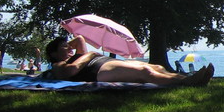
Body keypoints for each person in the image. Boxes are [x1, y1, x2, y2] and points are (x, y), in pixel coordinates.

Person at [44, 35, 213, 86]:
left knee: (157, 67)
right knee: (144, 73)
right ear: (53, 54)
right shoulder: (58, 64)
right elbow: (71, 72)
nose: (69, 49)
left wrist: (67, 45)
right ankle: (186, 83)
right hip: (98, 70)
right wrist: (89, 56)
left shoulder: (75, 54)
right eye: (64, 48)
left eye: (68, 46)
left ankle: (190, 79)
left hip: (101, 63)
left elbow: (80, 39)